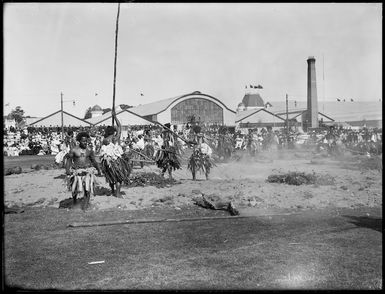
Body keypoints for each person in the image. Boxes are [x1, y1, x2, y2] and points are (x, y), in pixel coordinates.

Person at [65, 131, 102, 211]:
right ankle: (74, 202)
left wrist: (99, 169)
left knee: (87, 189)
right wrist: (68, 170)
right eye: (83, 141)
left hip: (87, 172)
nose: (85, 143)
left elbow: (94, 161)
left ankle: (85, 207)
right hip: (76, 172)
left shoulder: (89, 150)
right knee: (74, 189)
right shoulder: (74, 150)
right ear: (79, 141)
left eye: (86, 141)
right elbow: (69, 161)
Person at [99, 122, 132, 198]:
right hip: (114, 161)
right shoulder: (114, 138)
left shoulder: (104, 140)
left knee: (110, 176)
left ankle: (113, 190)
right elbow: (119, 127)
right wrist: (116, 117)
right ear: (113, 132)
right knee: (119, 178)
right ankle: (117, 193)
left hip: (106, 162)